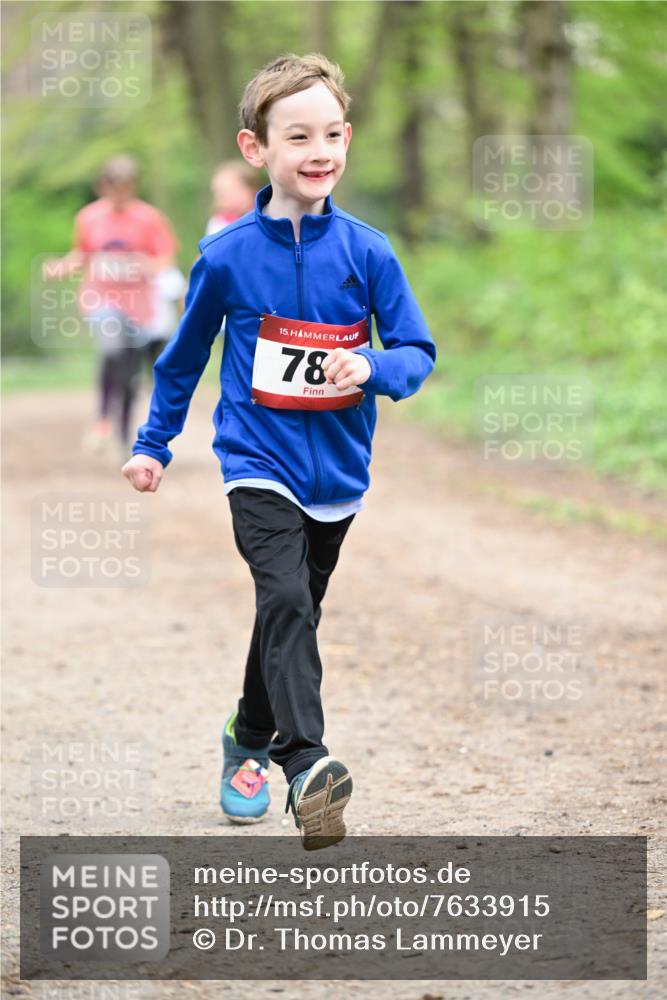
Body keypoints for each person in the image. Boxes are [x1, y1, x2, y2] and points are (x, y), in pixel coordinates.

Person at [122, 53, 437, 851]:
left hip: (339, 470)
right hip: (256, 464)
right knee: (286, 600)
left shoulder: (367, 251)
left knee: (291, 611)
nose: (318, 149)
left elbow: (416, 350)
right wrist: (153, 444)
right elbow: (183, 359)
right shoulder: (226, 257)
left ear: (348, 139)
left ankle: (246, 735)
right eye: (297, 135)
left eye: (331, 133)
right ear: (256, 148)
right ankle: (305, 763)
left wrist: (371, 367)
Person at [43, 155, 179, 456]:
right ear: (102, 186)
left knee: (130, 371)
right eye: (114, 187)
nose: (120, 194)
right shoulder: (89, 217)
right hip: (101, 298)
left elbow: (165, 258)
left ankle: (123, 434)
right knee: (112, 349)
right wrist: (61, 268)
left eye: (126, 187)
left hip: (139, 305)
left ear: (134, 186)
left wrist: (146, 263)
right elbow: (82, 254)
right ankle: (103, 419)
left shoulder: (149, 218)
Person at [205, 160, 262, 236]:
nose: (219, 199)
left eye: (227, 191)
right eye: (217, 192)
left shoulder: (267, 216)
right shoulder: (219, 224)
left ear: (249, 190)